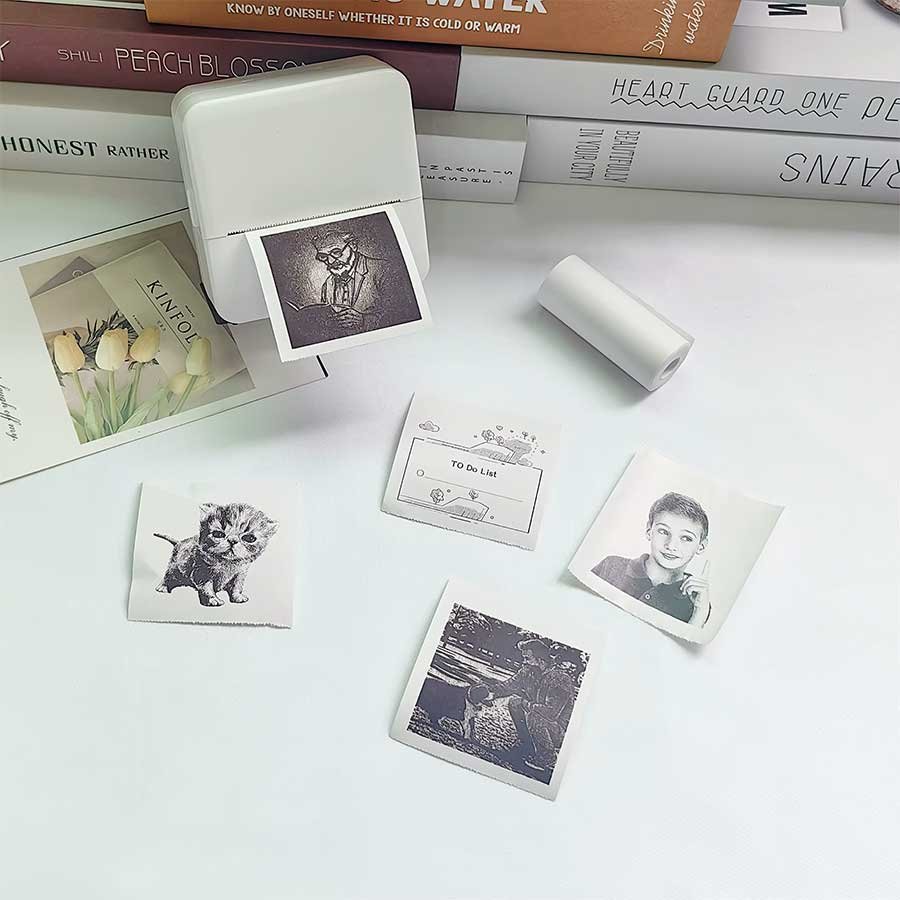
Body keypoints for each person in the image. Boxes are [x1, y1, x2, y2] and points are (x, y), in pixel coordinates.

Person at [592, 492, 711, 625]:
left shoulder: (697, 601)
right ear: (649, 530)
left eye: (686, 538)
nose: (671, 546)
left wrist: (700, 613)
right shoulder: (610, 566)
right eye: (663, 531)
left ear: (701, 546)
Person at [479, 639, 576, 769]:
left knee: (533, 715)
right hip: (541, 719)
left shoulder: (560, 678)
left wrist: (525, 703)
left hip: (560, 731)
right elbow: (509, 685)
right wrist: (489, 692)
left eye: (527, 658)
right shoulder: (527, 671)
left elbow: (551, 713)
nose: (524, 661)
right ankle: (528, 746)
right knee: (514, 702)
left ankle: (547, 759)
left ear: (540, 660)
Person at [309, 229, 386, 330]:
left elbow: (401, 313)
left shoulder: (383, 270)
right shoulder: (328, 284)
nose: (330, 261)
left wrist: (364, 321)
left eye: (336, 252)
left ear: (353, 246)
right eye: (323, 256)